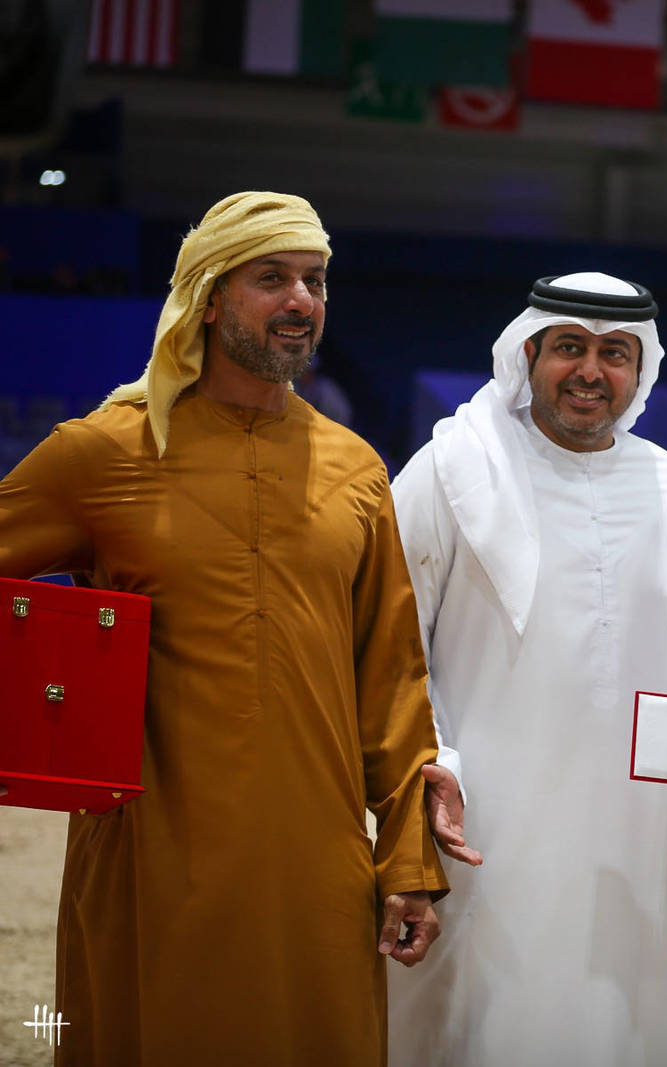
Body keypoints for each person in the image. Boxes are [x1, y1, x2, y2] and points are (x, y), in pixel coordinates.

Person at [0, 191, 448, 1065]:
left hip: (315, 866)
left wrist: (407, 863)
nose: (301, 301)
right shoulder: (103, 452)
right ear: (208, 297)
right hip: (149, 859)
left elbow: (391, 680)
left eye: (315, 281)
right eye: (271, 277)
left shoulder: (354, 467)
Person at [385, 272, 667, 1065]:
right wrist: (431, 779)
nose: (590, 370)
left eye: (615, 353)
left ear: (642, 371)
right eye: (569, 347)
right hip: (479, 830)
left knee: (621, 1024)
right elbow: (393, 652)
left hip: (636, 845)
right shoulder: (450, 469)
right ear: (528, 352)